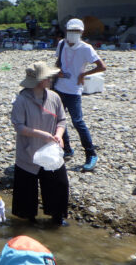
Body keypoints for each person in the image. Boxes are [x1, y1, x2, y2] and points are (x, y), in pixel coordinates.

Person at [10, 62, 69, 226]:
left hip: (51, 152)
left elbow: (62, 120)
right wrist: (41, 134)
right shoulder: (21, 100)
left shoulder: (54, 97)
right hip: (27, 153)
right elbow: (19, 126)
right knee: (26, 195)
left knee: (59, 185)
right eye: (47, 77)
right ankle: (28, 222)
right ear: (39, 81)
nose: (50, 79)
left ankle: (57, 218)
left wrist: (59, 135)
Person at [53, 18, 107, 171]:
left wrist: (84, 74)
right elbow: (58, 62)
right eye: (71, 31)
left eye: (76, 31)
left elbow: (102, 66)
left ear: (81, 32)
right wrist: (58, 71)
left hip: (74, 90)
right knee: (58, 120)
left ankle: (91, 154)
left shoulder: (86, 48)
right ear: (66, 31)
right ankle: (67, 149)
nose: (73, 34)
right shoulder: (62, 44)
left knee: (78, 122)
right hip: (59, 87)